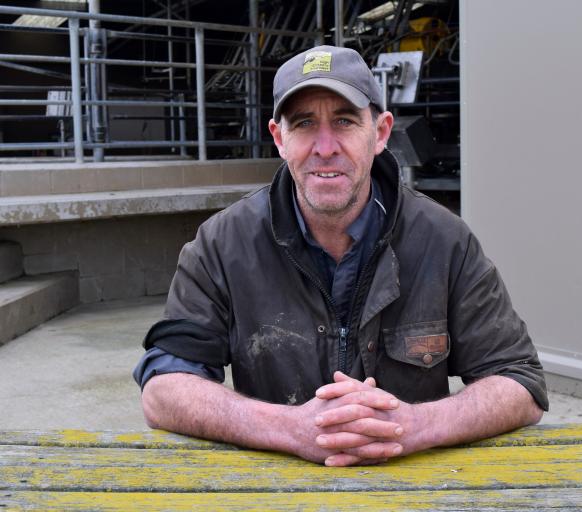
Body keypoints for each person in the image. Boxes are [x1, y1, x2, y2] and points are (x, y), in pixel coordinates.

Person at [133, 45, 548, 467]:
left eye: (345, 121)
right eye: (305, 123)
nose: (325, 146)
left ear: (381, 132)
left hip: (413, 490)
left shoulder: (444, 240)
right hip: (275, 490)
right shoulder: (222, 244)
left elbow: (521, 383)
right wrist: (289, 428)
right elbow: (164, 388)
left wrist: (413, 426)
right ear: (279, 137)